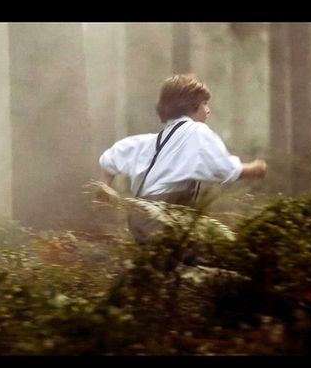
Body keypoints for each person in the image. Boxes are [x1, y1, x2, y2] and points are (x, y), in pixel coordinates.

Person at [98, 74, 267, 243]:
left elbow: (113, 157)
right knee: (198, 257)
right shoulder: (196, 131)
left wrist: (104, 187)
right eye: (204, 103)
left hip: (139, 216)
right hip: (162, 218)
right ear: (190, 105)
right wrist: (254, 169)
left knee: (159, 263)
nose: (208, 110)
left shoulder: (153, 140)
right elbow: (222, 168)